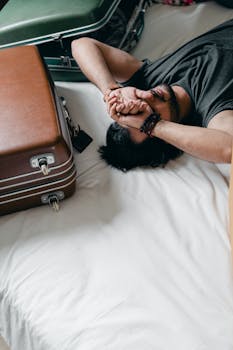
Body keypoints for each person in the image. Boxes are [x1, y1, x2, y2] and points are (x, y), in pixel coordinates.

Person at [71, 19, 233, 171]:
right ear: (166, 138)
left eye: (135, 109)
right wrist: (154, 125)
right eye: (148, 114)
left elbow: (81, 44)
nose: (146, 99)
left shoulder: (150, 78)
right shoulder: (212, 109)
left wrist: (110, 91)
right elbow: (229, 148)